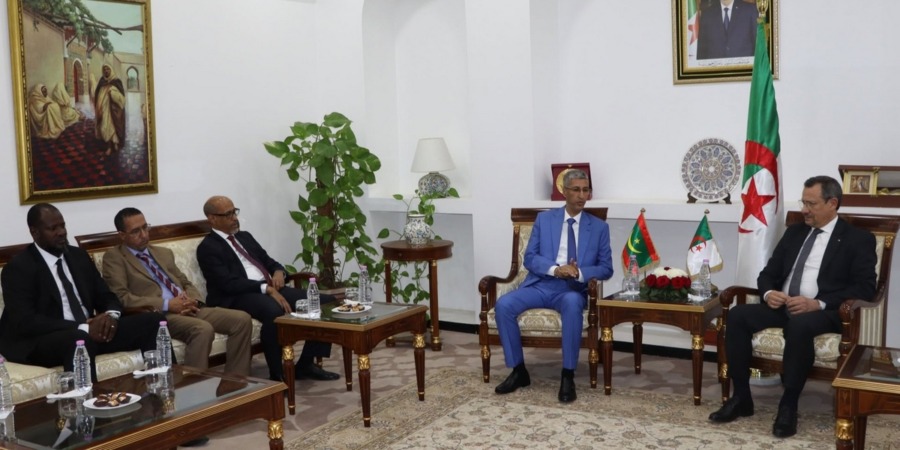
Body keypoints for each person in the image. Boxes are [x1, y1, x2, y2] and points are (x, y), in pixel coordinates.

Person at [709, 175, 877, 438]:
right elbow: (768, 274)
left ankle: (788, 405)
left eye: (811, 204)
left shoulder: (857, 239)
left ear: (832, 203)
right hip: (783, 306)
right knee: (739, 315)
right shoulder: (795, 232)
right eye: (803, 203)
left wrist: (818, 303)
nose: (805, 210)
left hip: (825, 312)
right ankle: (741, 398)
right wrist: (769, 293)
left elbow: (865, 288)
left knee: (800, 325)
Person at [0, 203, 163, 382]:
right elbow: (26, 322)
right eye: (53, 228)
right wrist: (83, 327)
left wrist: (110, 317)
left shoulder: (78, 256)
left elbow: (106, 296)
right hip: (43, 341)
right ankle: (89, 399)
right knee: (78, 340)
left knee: (153, 322)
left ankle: (164, 387)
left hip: (88, 333)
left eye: (62, 226)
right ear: (35, 232)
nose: (61, 232)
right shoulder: (19, 268)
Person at [493, 169, 613, 403]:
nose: (582, 195)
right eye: (576, 190)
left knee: (572, 304)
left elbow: (606, 268)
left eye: (586, 190)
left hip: (571, 290)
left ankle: (567, 375)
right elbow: (530, 258)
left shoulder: (599, 227)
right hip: (541, 284)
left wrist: (579, 272)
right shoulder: (545, 220)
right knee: (504, 305)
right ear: (564, 191)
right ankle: (518, 371)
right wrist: (555, 269)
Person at [196, 195, 339, 382]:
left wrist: (279, 272)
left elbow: (269, 261)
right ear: (212, 219)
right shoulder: (208, 247)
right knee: (273, 310)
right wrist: (266, 288)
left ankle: (306, 364)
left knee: (325, 302)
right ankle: (277, 375)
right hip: (238, 295)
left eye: (234, 212)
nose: (234, 218)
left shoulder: (244, 237)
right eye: (228, 214)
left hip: (268, 288)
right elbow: (228, 283)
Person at [102, 207, 254, 376]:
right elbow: (122, 297)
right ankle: (193, 386)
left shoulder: (163, 253)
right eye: (136, 231)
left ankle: (236, 380)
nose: (144, 235)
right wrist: (168, 304)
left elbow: (185, 282)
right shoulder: (114, 258)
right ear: (122, 235)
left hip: (189, 307)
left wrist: (192, 300)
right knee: (202, 329)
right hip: (159, 315)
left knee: (241, 319)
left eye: (145, 227)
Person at [93, 64, 126, 156]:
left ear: (111, 70)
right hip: (103, 109)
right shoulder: (102, 81)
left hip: (113, 110)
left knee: (112, 126)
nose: (106, 71)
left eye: (108, 69)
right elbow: (97, 94)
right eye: (104, 69)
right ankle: (109, 146)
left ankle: (113, 144)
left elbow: (122, 98)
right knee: (105, 126)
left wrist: (112, 92)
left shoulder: (116, 81)